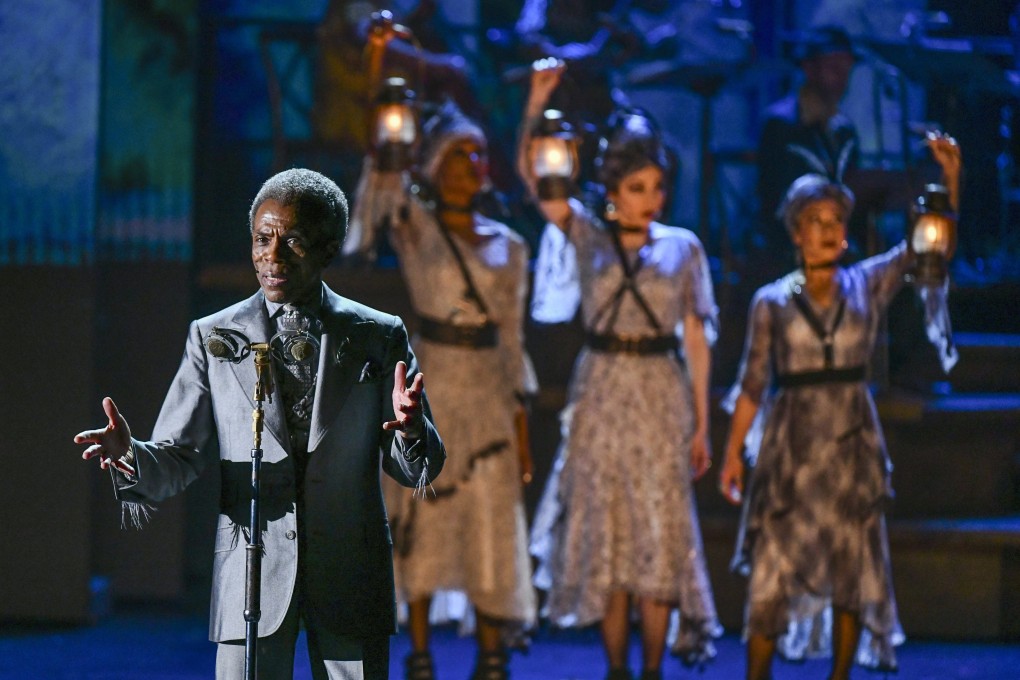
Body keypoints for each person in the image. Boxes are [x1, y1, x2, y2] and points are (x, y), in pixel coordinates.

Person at [73, 168, 446, 680]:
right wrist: (131, 455)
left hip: (349, 571)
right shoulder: (213, 336)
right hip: (249, 571)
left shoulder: (377, 336)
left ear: (329, 246)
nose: (273, 256)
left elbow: (417, 468)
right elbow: (180, 454)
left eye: (292, 240)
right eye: (262, 239)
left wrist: (409, 430)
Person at [717, 135, 962, 680]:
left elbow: (928, 244)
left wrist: (948, 183)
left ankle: (841, 675)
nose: (827, 230)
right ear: (796, 232)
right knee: (775, 566)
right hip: (792, 444)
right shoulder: (772, 301)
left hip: (850, 436)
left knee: (852, 563)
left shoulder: (865, 284)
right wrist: (734, 454)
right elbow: (752, 383)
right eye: (815, 221)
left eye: (835, 220)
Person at [519, 60, 720, 680]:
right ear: (613, 187)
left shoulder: (682, 247)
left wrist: (702, 425)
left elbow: (696, 334)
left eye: (657, 188)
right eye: (637, 187)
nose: (650, 200)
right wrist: (536, 103)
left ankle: (653, 669)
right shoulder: (588, 235)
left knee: (659, 536)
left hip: (660, 390)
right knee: (610, 537)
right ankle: (615, 670)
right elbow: (537, 183)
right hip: (602, 387)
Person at [346, 101, 538, 680]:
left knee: (490, 518)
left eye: (479, 155)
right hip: (431, 377)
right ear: (436, 165)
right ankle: (421, 652)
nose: (472, 165)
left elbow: (513, 339)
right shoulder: (416, 226)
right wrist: (384, 115)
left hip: (487, 390)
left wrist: (522, 427)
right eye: (459, 155)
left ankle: (492, 650)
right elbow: (377, 200)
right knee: (423, 513)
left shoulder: (510, 245)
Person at [755, 25, 859, 268]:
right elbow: (774, 198)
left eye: (846, 71)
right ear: (809, 69)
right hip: (789, 247)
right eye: (834, 69)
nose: (841, 80)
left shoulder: (844, 129)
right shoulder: (781, 124)